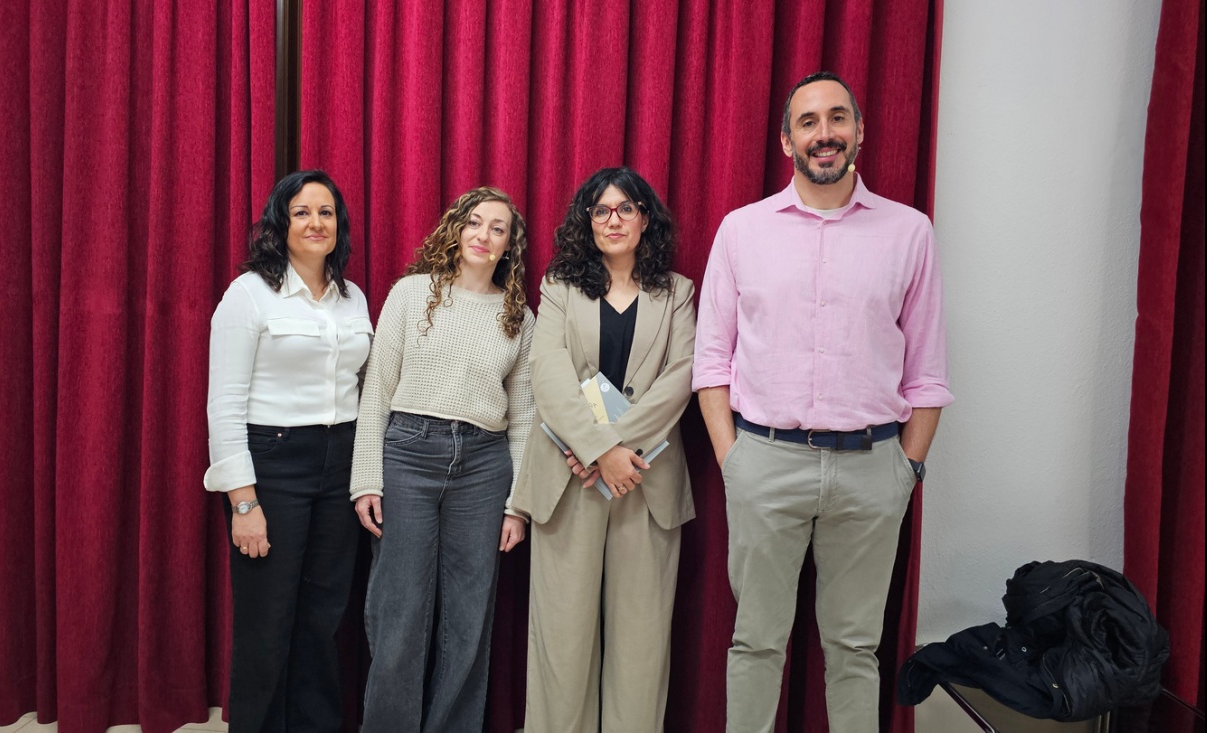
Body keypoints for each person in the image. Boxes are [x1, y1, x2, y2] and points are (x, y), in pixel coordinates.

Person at [693, 71, 953, 733]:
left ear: (859, 132)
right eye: (808, 122)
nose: (825, 133)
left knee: (856, 647)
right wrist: (734, 461)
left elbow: (927, 370)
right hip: (765, 462)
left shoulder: (909, 233)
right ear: (787, 141)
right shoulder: (742, 231)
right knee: (754, 641)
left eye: (838, 118)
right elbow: (711, 363)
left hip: (873, 469)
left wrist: (906, 470)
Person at [514, 166, 697, 732]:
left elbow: (682, 375)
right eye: (601, 210)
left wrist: (621, 452)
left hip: (647, 480)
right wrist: (598, 450)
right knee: (561, 640)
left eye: (625, 208)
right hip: (570, 480)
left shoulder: (679, 292)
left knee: (640, 645)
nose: (613, 219)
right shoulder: (559, 287)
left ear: (646, 218)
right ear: (586, 223)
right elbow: (548, 373)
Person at [351, 186, 535, 733]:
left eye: (497, 228)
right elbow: (377, 390)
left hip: (484, 466)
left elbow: (524, 414)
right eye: (474, 222)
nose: (483, 235)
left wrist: (517, 505)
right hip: (408, 453)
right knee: (399, 610)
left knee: (469, 614)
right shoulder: (411, 295)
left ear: (509, 245)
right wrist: (366, 479)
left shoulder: (519, 317)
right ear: (455, 229)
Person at [204, 169, 373, 732]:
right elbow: (224, 404)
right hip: (273, 464)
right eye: (302, 211)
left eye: (326, 212)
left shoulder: (354, 299)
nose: (315, 222)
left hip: (341, 462)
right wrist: (243, 504)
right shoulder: (248, 295)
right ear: (281, 222)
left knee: (324, 615)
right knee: (266, 619)